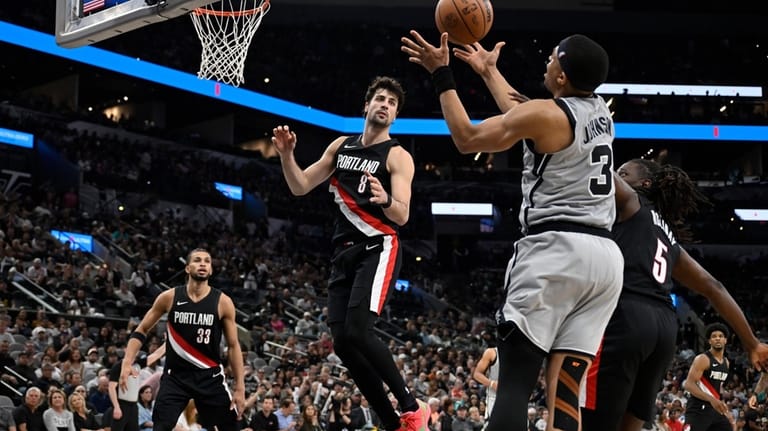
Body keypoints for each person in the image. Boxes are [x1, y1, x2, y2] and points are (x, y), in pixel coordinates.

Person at [402, 31, 623, 431]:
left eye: (553, 58)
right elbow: (527, 113)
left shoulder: (548, 114)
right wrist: (490, 72)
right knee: (566, 391)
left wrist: (441, 73)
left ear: (561, 77)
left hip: (555, 250)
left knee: (513, 385)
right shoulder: (600, 111)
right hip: (605, 261)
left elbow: (467, 140)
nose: (547, 61)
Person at [272, 76, 428, 431]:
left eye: (392, 103)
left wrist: (384, 198)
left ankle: (411, 406)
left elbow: (402, 214)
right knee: (342, 343)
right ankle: (392, 423)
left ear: (395, 115)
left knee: (359, 331)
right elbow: (300, 186)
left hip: (378, 244)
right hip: (342, 252)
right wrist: (286, 155)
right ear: (367, 105)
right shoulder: (341, 146)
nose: (386, 105)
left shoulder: (398, 156)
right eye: (381, 99)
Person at [580, 159, 768, 431]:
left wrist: (576, 129)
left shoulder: (631, 202)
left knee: (593, 424)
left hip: (626, 316)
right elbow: (713, 286)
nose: (618, 177)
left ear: (645, 184)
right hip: (664, 329)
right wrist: (751, 343)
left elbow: (594, 164)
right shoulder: (668, 237)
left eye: (624, 173)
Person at [118, 248, 245, 431]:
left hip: (209, 376)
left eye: (207, 261)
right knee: (160, 427)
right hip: (175, 376)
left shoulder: (223, 302)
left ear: (210, 270)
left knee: (230, 426)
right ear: (187, 268)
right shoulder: (169, 297)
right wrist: (127, 362)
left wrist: (240, 387)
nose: (202, 264)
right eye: (197, 260)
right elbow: (142, 329)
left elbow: (233, 346)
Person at [682, 323, 734, 431]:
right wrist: (711, 399)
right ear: (709, 341)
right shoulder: (703, 359)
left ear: (725, 340)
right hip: (698, 409)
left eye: (720, 336)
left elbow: (717, 387)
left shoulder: (726, 362)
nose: (717, 339)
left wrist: (724, 408)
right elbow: (689, 385)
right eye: (714, 336)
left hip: (714, 410)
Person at [108, 359, 140, 431]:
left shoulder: (137, 364)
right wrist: (116, 406)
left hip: (134, 405)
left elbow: (154, 356)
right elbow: (111, 387)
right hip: (121, 404)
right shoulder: (118, 366)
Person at [471, 347, 497, 426]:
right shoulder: (492, 352)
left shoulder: (520, 353)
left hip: (514, 398)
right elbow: (476, 374)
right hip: (494, 398)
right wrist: (492, 383)